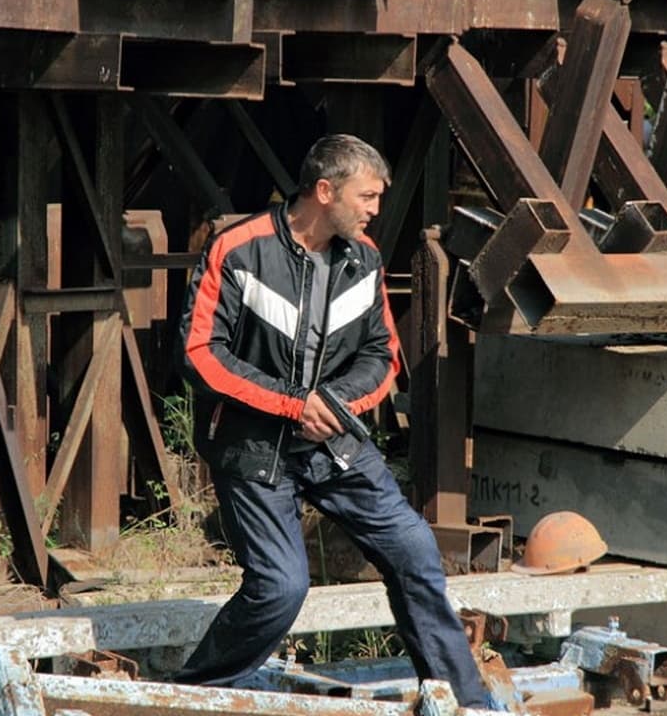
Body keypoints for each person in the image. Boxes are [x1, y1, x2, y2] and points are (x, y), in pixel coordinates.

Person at [174, 134, 493, 708]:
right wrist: (295, 403)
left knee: (415, 550)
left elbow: (381, 355)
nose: (375, 209)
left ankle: (462, 702)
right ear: (325, 191)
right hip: (254, 447)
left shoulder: (362, 258)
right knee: (280, 587)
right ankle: (193, 696)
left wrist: (331, 405)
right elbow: (200, 352)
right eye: (367, 196)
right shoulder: (239, 249)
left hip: (334, 443)